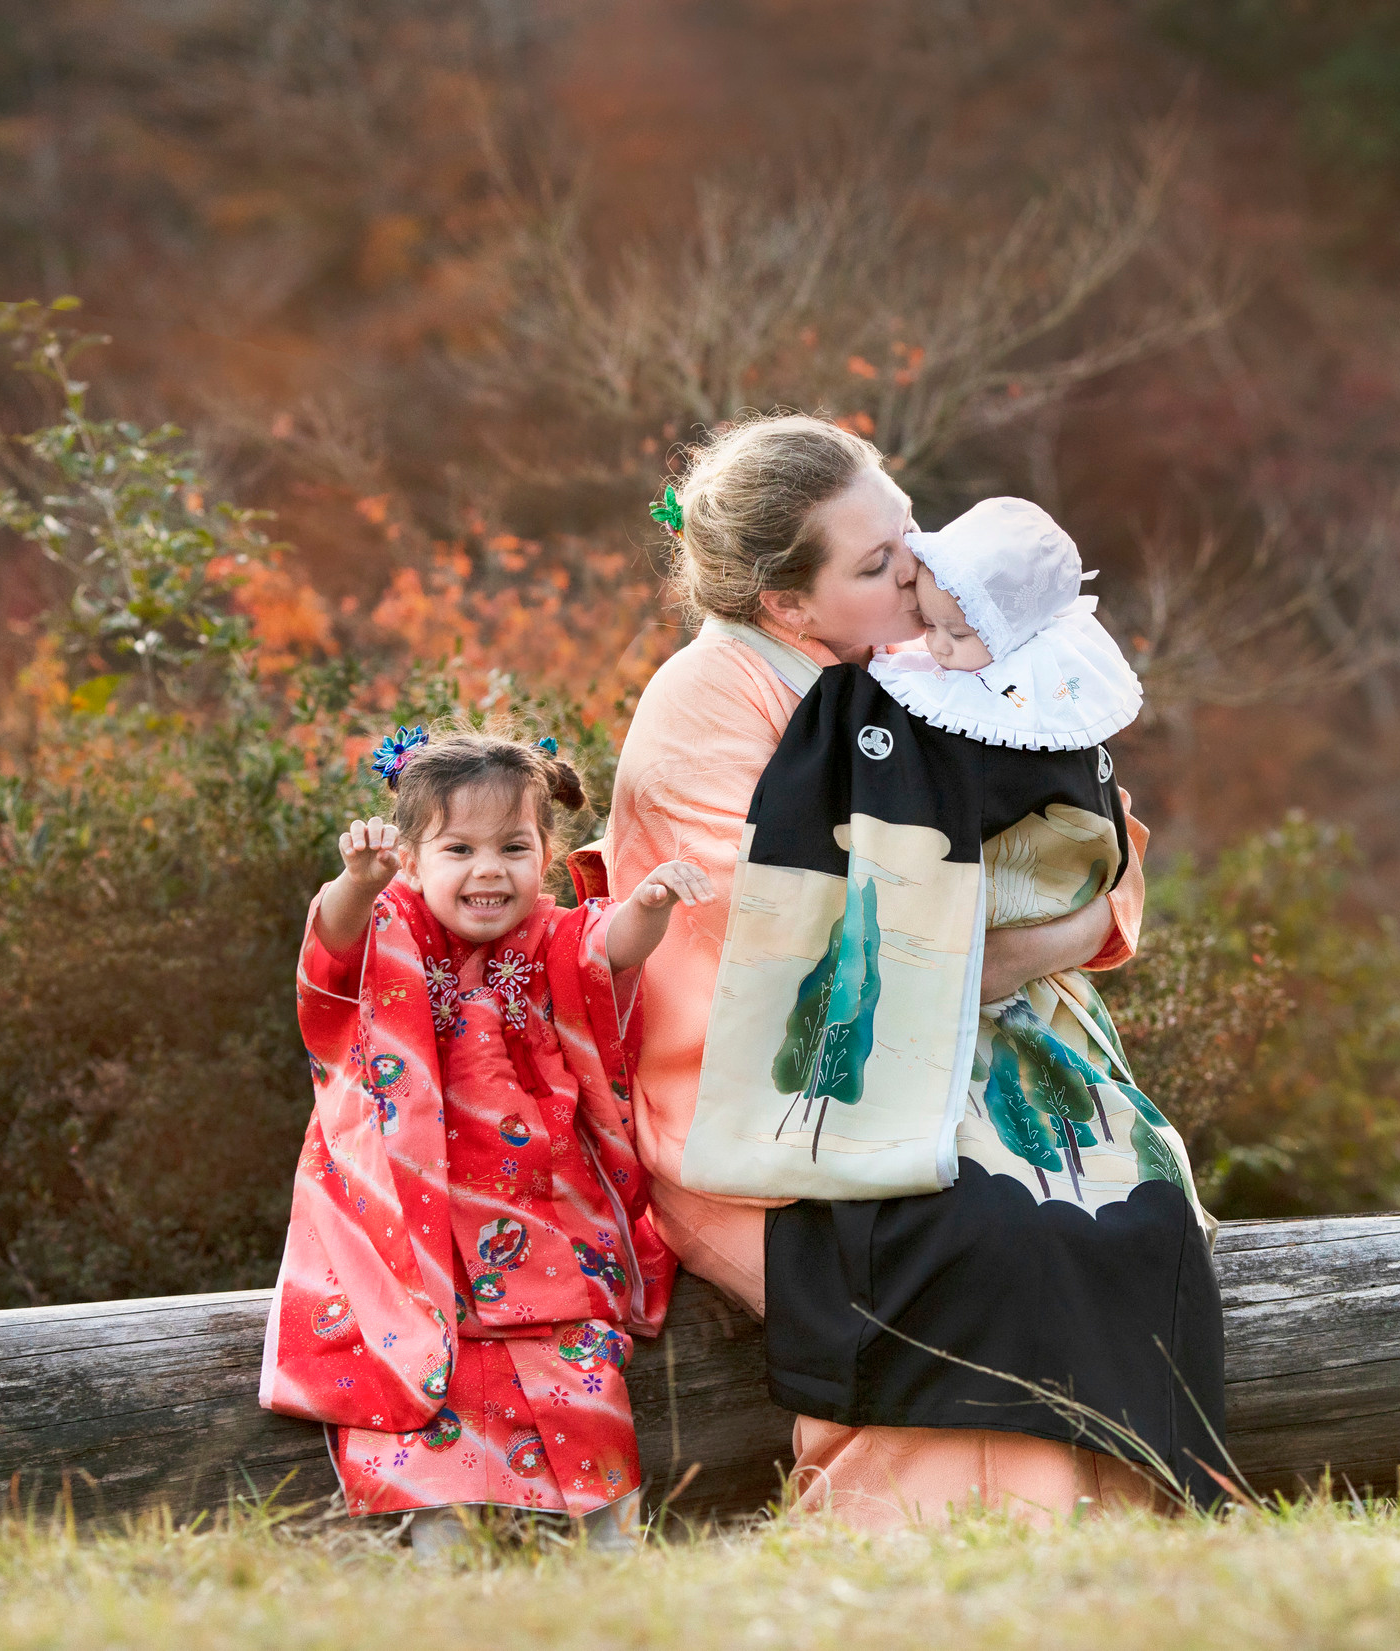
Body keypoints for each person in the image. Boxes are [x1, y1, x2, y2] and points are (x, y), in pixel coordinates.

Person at [600, 416, 1219, 1528]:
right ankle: (933, 1544)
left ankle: (1118, 1527)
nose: (918, 571)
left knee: (1127, 1209)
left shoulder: (940, 659)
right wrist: (1052, 937)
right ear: (788, 606)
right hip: (781, 1102)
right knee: (970, 1233)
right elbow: (806, 945)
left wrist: (1069, 926)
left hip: (987, 1051)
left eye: (911, 535)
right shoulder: (706, 704)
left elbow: (1102, 839)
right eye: (878, 564)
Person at [258, 722, 713, 1558]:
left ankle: (611, 1536)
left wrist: (649, 907)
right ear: (411, 857)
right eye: (458, 848)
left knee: (579, 1360)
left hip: (541, 1204)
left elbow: (605, 949)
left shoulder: (545, 932)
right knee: (443, 1381)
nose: (488, 869)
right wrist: (355, 883)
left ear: (545, 851)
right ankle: (444, 1541)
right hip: (417, 1219)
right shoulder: (389, 924)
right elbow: (330, 954)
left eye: (512, 845)